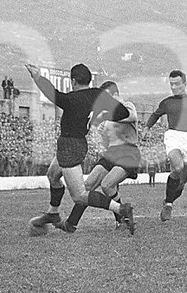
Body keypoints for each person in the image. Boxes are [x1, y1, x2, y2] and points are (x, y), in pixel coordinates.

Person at [26, 63, 135, 235]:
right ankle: (53, 213)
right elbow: (122, 112)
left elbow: (54, 95)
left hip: (70, 145)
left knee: (80, 195)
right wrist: (103, 114)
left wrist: (37, 77)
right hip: (75, 144)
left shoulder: (72, 99)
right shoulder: (98, 94)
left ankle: (121, 209)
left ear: (73, 81)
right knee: (53, 175)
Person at [57, 81, 140, 234]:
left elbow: (131, 116)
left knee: (107, 185)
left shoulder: (126, 105)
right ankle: (71, 223)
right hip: (111, 154)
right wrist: (103, 130)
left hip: (128, 153)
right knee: (88, 186)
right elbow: (107, 139)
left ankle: (123, 217)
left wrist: (105, 117)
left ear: (116, 95)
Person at [143, 69, 187, 221]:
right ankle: (169, 204)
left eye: (177, 84)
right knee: (177, 167)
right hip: (174, 136)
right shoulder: (167, 102)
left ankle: (168, 200)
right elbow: (155, 115)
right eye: (171, 84)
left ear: (184, 84)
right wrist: (147, 128)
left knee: (181, 183)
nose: (174, 87)